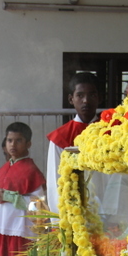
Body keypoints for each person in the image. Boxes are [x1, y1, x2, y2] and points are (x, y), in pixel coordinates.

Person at [0, 122, 46, 256]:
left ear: (28, 144)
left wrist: (12, 197)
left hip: (21, 231)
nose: (13, 145)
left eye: (18, 140)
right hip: (2, 228)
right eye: (9, 140)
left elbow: (39, 206)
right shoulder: (3, 169)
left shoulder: (31, 170)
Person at [46, 72, 101, 214]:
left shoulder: (111, 131)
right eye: (80, 95)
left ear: (99, 98)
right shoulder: (61, 137)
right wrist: (60, 218)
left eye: (91, 95)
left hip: (107, 210)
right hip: (74, 212)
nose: (86, 101)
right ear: (71, 99)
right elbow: (55, 181)